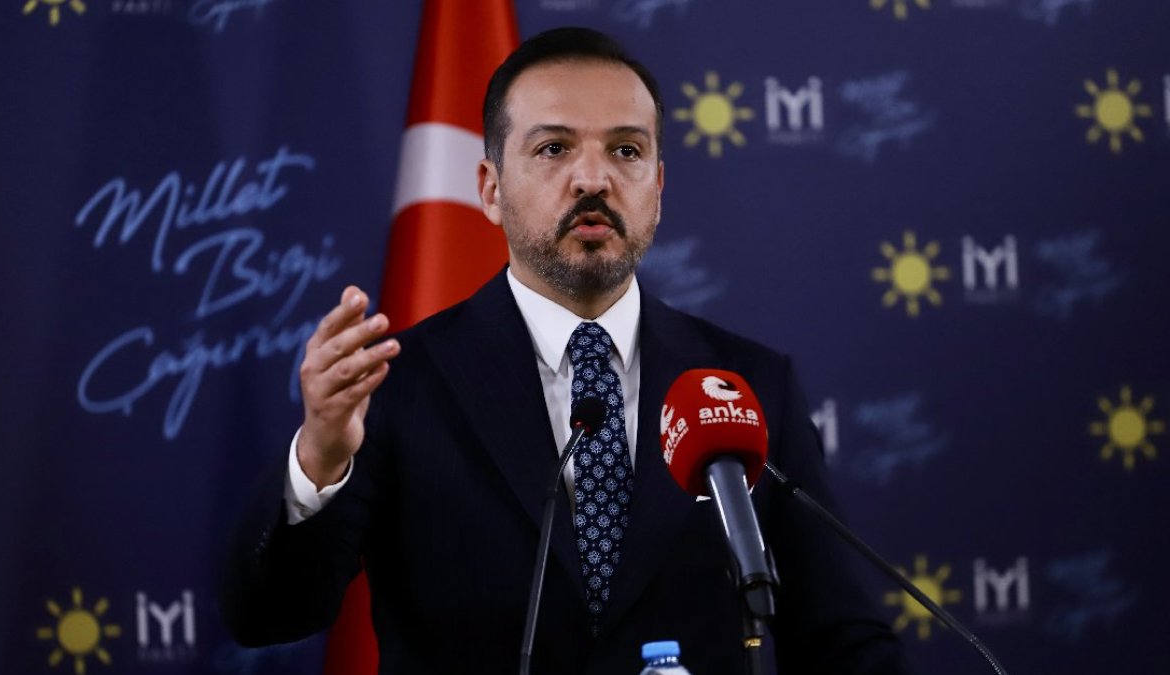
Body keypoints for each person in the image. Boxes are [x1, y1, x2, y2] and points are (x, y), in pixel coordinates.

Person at [223, 27, 911, 675]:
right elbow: (270, 614)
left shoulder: (748, 384)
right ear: (490, 189)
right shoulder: (398, 384)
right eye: (554, 149)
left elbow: (843, 638)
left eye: (626, 151)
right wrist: (320, 458)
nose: (592, 179)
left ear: (658, 188)